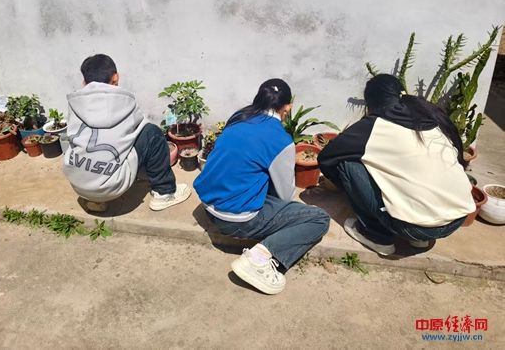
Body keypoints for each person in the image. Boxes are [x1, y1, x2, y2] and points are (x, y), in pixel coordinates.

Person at [194, 79, 330, 295]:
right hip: (235, 220)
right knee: (318, 219)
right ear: (288, 107)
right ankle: (258, 259)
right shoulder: (280, 140)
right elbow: (285, 195)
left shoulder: (239, 118)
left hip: (208, 204)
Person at [318, 74, 475, 256]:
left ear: (370, 103)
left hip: (414, 227)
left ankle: (377, 236)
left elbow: (327, 156)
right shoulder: (430, 117)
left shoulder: (375, 125)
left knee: (347, 164)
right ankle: (419, 241)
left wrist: (342, 186)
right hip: (456, 219)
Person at [63, 54, 191, 212]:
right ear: (115, 77)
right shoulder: (123, 100)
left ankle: (95, 201)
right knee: (153, 133)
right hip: (112, 187)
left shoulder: (75, 102)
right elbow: (139, 129)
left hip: (79, 185)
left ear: (84, 82)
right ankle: (164, 192)